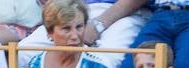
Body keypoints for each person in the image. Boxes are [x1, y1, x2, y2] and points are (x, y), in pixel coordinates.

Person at [18, 0, 151, 53]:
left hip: (124, 13)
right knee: (24, 51)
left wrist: (98, 25)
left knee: (109, 57)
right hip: (75, 8)